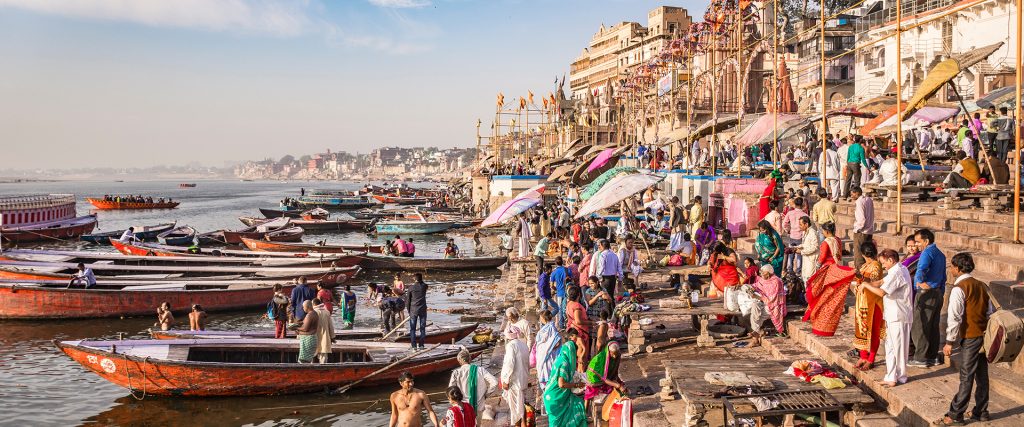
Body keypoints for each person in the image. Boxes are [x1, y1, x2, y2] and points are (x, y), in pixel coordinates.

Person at [939, 252, 992, 425]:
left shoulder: (959, 288)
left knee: (966, 377)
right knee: (982, 375)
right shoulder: (981, 285)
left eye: (953, 266)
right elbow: (989, 312)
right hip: (983, 335)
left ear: (958, 268)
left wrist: (949, 342)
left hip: (970, 336)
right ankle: (981, 411)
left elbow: (954, 318)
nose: (951, 269)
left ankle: (955, 415)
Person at [857, 249, 913, 388]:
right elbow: (881, 281)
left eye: (884, 263)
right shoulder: (897, 269)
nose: (883, 266)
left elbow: (882, 292)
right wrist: (865, 284)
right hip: (892, 315)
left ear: (891, 260)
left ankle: (900, 376)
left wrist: (866, 286)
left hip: (898, 315)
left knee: (898, 348)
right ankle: (891, 376)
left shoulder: (898, 272)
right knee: (890, 347)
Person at [911, 228, 946, 368]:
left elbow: (921, 269)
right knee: (933, 326)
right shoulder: (940, 254)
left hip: (926, 293)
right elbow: (944, 277)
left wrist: (920, 282)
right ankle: (932, 356)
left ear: (926, 241)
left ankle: (920, 358)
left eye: (918, 242)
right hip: (937, 291)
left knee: (920, 326)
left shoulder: (927, 252)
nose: (917, 245)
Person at [803, 253, 857, 337]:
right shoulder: (836, 240)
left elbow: (823, 255)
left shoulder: (827, 242)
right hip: (834, 266)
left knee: (822, 296)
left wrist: (818, 265)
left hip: (830, 268)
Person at [542, 328, 587, 427]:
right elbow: (561, 384)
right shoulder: (564, 364)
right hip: (555, 397)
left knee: (577, 404)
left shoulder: (560, 358)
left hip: (554, 395)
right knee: (556, 423)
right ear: (572, 352)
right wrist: (577, 384)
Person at [852, 242, 886, 371]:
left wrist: (859, 276)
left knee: (873, 332)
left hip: (873, 304)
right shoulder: (865, 265)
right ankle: (863, 356)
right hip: (862, 303)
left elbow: (872, 282)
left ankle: (871, 359)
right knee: (861, 330)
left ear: (862, 254)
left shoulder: (876, 266)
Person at [449, 347, 497, 421]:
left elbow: (451, 390)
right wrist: (486, 394)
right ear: (470, 359)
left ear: (459, 361)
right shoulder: (480, 370)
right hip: (478, 405)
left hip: (462, 406)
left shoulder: (456, 373)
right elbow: (494, 382)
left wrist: (454, 404)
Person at [584, 341, 625, 418]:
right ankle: (585, 413)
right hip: (594, 376)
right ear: (609, 351)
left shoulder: (617, 355)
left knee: (616, 387)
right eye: (613, 353)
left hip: (605, 376)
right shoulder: (602, 359)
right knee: (591, 390)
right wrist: (618, 385)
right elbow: (604, 378)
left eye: (616, 353)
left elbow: (615, 370)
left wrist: (616, 381)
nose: (615, 356)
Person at [500, 325, 530, 427]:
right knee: (521, 406)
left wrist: (506, 381)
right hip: (523, 379)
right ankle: (524, 424)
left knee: (515, 411)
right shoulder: (523, 345)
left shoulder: (511, 346)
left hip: (514, 382)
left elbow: (509, 364)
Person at [533, 310, 562, 394]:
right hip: (544, 355)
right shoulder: (546, 328)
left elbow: (557, 342)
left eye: (540, 317)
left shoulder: (551, 328)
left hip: (549, 356)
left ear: (543, 318)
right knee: (545, 372)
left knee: (548, 373)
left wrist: (548, 348)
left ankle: (550, 392)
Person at [752, 264, 787, 335]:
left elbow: (772, 299)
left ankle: (756, 332)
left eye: (762, 272)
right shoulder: (763, 279)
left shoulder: (776, 281)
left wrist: (757, 297)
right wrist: (748, 287)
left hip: (775, 305)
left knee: (759, 316)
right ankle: (756, 331)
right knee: (754, 308)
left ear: (768, 273)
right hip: (765, 302)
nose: (761, 274)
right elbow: (756, 285)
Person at [565, 286, 591, 367]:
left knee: (575, 356)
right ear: (579, 295)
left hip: (572, 331)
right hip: (580, 333)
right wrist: (591, 323)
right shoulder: (577, 306)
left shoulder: (569, 304)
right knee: (582, 356)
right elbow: (578, 321)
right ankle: (581, 375)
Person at [781, 197, 808, 273]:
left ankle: (790, 270)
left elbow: (784, 224)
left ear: (795, 204)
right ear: (802, 204)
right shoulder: (804, 214)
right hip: (800, 237)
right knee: (799, 254)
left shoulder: (790, 213)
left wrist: (788, 230)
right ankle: (798, 271)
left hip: (792, 235)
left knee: (790, 254)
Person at [851, 186, 874, 269]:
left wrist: (857, 229)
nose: (851, 196)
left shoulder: (859, 202)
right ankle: (868, 272)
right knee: (867, 254)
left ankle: (859, 274)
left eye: (853, 194)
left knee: (859, 255)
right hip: (869, 231)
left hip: (861, 232)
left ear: (857, 193)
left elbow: (861, 219)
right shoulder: (869, 199)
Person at [405, 273, 428, 349]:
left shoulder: (411, 288)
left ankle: (414, 346)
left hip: (413, 310)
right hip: (422, 310)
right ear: (421, 279)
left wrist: (409, 311)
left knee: (412, 329)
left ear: (415, 279)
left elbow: (408, 301)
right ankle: (421, 345)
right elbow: (424, 284)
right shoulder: (424, 286)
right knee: (422, 328)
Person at [796, 216, 821, 283]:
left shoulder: (812, 233)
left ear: (806, 224)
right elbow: (805, 244)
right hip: (806, 259)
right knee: (805, 278)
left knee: (810, 279)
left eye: (801, 224)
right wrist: (797, 247)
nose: (799, 226)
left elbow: (815, 247)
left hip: (812, 260)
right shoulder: (805, 232)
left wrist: (801, 251)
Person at [312, 298, 335, 364]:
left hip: (314, 336)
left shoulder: (313, 312)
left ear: (313, 304)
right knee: (323, 355)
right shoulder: (326, 312)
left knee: (312, 354)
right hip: (325, 337)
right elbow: (331, 326)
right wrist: (332, 337)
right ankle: (323, 369)